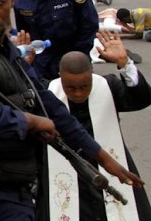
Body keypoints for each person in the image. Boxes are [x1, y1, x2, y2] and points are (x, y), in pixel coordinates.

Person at [0, 0, 143, 221]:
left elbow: (48, 104)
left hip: (12, 184)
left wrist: (101, 156)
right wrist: (30, 122)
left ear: (11, 0)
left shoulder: (3, 48)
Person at [46, 40, 151, 221]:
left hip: (111, 163)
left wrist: (125, 64)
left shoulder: (107, 86)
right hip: (67, 170)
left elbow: (141, 99)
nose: (78, 93)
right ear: (60, 77)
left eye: (84, 86)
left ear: (92, 75)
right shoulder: (48, 93)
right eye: (70, 87)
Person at [14, 0, 98, 80]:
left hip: (73, 55)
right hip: (42, 65)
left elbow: (89, 23)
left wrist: (79, 57)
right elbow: (25, 35)